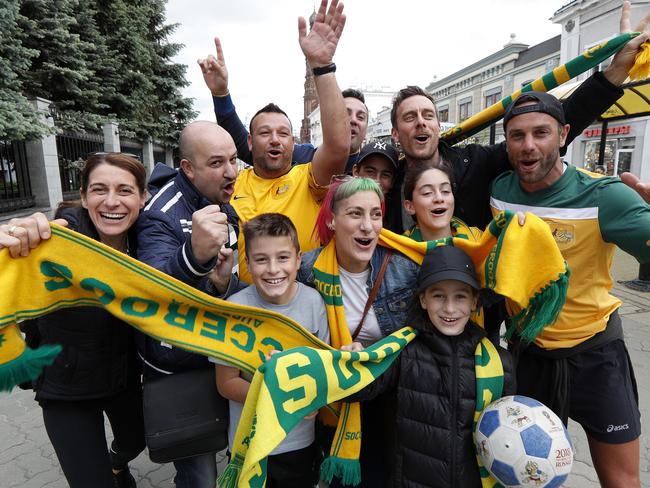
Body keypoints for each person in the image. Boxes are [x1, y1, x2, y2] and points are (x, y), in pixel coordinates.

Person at [490, 88, 650, 488]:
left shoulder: (605, 196)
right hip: (530, 355)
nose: (529, 146)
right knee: (530, 478)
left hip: (596, 356)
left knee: (620, 480)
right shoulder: (500, 192)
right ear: (507, 142)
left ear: (563, 135)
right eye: (517, 135)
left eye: (540, 133)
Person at [385, 1, 649, 234]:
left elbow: (552, 121)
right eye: (410, 117)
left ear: (437, 126)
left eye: (428, 115)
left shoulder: (475, 163)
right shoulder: (387, 178)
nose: (421, 121)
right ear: (395, 133)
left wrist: (614, 72)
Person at [0, 153, 147, 488]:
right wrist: (14, 240)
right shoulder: (53, 241)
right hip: (65, 389)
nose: (112, 201)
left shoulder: (149, 245)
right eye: (99, 189)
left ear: (142, 198)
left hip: (123, 380)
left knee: (134, 443)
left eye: (125, 190)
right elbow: (12, 271)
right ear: (83, 196)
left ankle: (116, 464)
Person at [342, 245, 515, 487]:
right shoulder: (402, 351)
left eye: (460, 296)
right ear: (423, 299)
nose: (450, 308)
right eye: (438, 296)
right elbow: (357, 389)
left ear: (475, 301)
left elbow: (509, 434)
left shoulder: (499, 362)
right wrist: (349, 363)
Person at [135, 122, 239, 488]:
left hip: (223, 360)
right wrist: (193, 255)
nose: (230, 171)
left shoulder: (225, 200)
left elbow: (222, 284)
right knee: (200, 476)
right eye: (216, 163)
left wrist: (223, 282)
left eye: (233, 159)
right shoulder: (159, 213)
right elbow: (151, 290)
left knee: (233, 457)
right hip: (180, 369)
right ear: (188, 169)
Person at [298, 176, 419, 486]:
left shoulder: (404, 267)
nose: (368, 226)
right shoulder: (307, 269)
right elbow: (267, 301)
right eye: (355, 214)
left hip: (392, 402)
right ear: (333, 220)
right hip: (337, 400)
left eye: (375, 214)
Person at [223, 0, 351, 282]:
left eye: (283, 133)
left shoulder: (308, 179)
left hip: (306, 306)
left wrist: (322, 67)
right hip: (244, 310)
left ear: (293, 142)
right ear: (250, 142)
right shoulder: (230, 185)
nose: (275, 140)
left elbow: (340, 144)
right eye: (265, 133)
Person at [213, 213, 330, 488]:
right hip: (248, 444)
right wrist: (274, 387)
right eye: (261, 259)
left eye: (283, 257)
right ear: (248, 263)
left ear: (298, 259)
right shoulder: (235, 309)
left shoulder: (314, 303)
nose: (273, 269)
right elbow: (225, 383)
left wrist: (314, 399)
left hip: (299, 443)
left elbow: (324, 369)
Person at [199, 35, 368, 173]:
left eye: (361, 116)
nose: (352, 120)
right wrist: (221, 94)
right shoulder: (305, 159)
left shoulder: (379, 161)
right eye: (345, 113)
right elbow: (247, 145)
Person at [352, 140, 400, 231]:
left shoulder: (398, 216)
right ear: (356, 172)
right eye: (370, 172)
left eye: (386, 175)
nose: (377, 181)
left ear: (393, 180)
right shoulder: (340, 204)